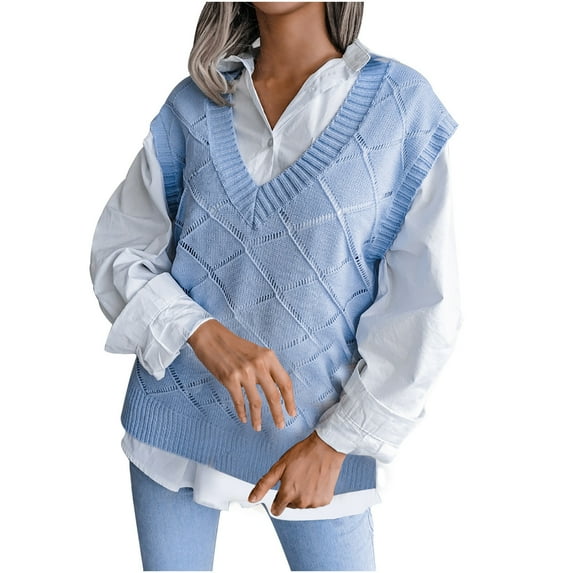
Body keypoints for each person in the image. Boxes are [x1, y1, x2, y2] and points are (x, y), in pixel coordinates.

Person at [90, 2, 460, 570]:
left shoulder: (402, 109)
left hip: (316, 446)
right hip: (172, 425)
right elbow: (121, 251)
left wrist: (337, 442)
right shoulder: (194, 104)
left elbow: (425, 308)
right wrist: (204, 334)